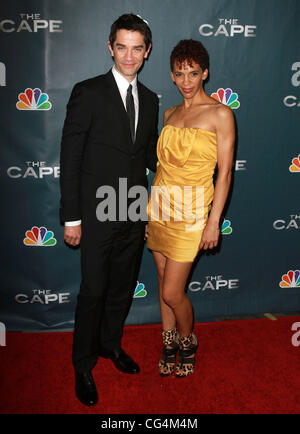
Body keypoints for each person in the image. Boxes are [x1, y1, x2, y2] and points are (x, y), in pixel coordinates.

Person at [60, 14, 158, 406]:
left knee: (120, 290)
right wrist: (71, 216)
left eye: (137, 48)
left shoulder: (150, 99)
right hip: (96, 213)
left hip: (134, 209)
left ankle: (110, 344)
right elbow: (70, 157)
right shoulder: (88, 92)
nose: (129, 55)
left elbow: (149, 155)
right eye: (122, 46)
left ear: (147, 51)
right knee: (93, 291)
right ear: (110, 47)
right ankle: (82, 364)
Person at [147, 39, 235, 378]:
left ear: (205, 73)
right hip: (160, 209)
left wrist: (213, 223)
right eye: (180, 74)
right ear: (171, 75)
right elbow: (162, 169)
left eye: (193, 73)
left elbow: (225, 174)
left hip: (193, 214)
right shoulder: (169, 114)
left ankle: (187, 340)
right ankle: (167, 341)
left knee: (173, 291)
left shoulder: (220, 114)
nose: (186, 81)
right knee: (160, 281)